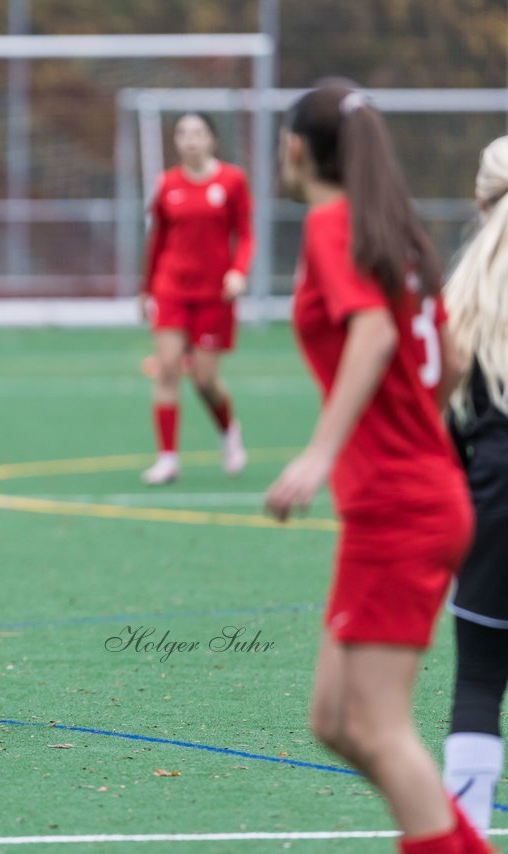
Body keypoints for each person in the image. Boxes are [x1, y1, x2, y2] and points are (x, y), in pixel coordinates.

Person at [265, 84, 492, 853]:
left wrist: (322, 451)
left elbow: (372, 334)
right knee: (334, 719)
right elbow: (451, 358)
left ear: (295, 147)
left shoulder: (336, 225)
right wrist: (404, 430)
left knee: (379, 725)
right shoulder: (394, 233)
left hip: (403, 507)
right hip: (412, 496)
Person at [441, 134, 508, 840]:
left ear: (478, 201)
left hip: (495, 506)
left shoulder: (461, 299)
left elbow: (442, 431)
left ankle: (466, 835)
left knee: (480, 687)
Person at [139, 112, 252, 485]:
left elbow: (246, 235)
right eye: (182, 133)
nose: (190, 140)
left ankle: (229, 432)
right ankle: (167, 458)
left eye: (197, 133)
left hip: (214, 294)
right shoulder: (166, 184)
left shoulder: (232, 181)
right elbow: (156, 243)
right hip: (170, 289)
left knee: (204, 380)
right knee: (168, 368)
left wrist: (238, 271)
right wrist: (146, 289)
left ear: (212, 140)